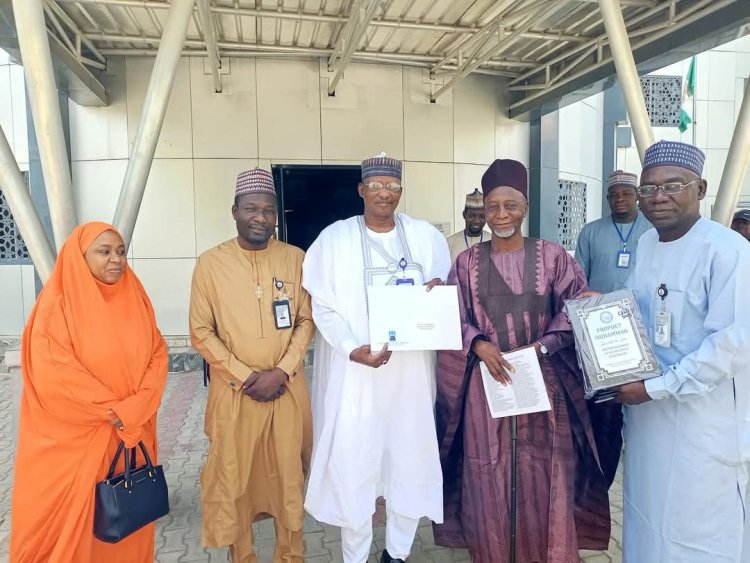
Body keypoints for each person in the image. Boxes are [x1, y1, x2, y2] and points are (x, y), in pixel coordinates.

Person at [433, 159, 619, 563]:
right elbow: (452, 316)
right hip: (487, 389)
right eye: (493, 207)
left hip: (544, 387)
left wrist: (543, 347)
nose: (501, 215)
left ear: (525, 207)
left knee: (547, 474)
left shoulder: (553, 257)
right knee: (488, 472)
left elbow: (575, 307)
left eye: (510, 206)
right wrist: (478, 344)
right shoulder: (464, 264)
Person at [303, 153, 450, 563]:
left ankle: (397, 553)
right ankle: (354, 555)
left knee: (409, 458)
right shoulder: (334, 239)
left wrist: (437, 292)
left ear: (401, 191)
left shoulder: (426, 238)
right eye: (376, 185)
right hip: (356, 377)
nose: (384, 193)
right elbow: (322, 306)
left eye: (392, 186)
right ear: (361, 190)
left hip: (411, 379)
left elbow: (443, 298)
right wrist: (352, 347)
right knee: (356, 461)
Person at [617, 140, 750, 563]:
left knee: (699, 533)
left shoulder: (729, 252)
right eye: (648, 189)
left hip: (703, 427)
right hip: (648, 420)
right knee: (647, 519)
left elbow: (732, 345)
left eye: (673, 185)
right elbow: (637, 313)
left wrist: (657, 387)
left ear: (702, 188)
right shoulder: (647, 245)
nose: (658, 198)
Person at [10, 221, 168, 563]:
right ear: (79, 257)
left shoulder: (135, 297)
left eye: (121, 251)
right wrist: (120, 411)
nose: (116, 260)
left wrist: (139, 404)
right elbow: (56, 377)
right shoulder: (56, 307)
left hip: (129, 440)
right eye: (104, 251)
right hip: (74, 449)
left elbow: (157, 352)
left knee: (127, 527)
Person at [190, 168, 315, 563]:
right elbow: (200, 331)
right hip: (234, 395)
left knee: (287, 479)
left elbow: (306, 321)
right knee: (235, 479)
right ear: (235, 211)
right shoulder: (210, 264)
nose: (260, 217)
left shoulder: (296, 259)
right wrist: (247, 377)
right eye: (251, 209)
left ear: (277, 215)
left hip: (286, 390)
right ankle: (241, 556)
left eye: (267, 210)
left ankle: (289, 556)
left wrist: (282, 371)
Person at [575, 170, 651, 292]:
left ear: (637, 196)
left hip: (643, 306)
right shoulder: (590, 231)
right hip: (600, 307)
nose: (620, 199)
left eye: (626, 194)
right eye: (614, 195)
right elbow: (579, 277)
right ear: (607, 198)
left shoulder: (653, 229)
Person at [446, 188, 491, 262]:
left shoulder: (495, 243)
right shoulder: (449, 244)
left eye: (482, 216)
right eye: (472, 215)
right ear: (464, 215)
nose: (477, 221)